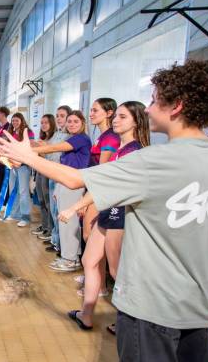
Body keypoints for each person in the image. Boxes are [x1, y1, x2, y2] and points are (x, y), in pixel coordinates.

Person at [0, 59, 208, 362]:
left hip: (151, 306)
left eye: (153, 100)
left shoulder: (152, 160)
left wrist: (25, 153)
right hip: (205, 304)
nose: (148, 108)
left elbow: (75, 178)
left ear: (176, 105)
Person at [58, 101, 150, 331]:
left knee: (118, 271)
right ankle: (86, 314)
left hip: (121, 218)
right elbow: (104, 183)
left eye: (122, 117)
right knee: (89, 261)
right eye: (116, 116)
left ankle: (131, 322)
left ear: (137, 122)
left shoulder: (135, 152)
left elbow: (106, 186)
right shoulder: (120, 148)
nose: (116, 120)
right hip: (108, 213)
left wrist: (75, 206)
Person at [27, 111, 91, 272]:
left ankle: (70, 259)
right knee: (64, 221)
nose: (71, 124)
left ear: (83, 123)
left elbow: (55, 148)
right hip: (65, 181)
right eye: (69, 121)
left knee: (69, 222)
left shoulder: (81, 138)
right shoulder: (71, 138)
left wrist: (28, 152)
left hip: (74, 183)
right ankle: (70, 256)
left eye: (76, 121)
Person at [81, 98, 120, 242]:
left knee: (90, 235)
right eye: (91, 110)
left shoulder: (110, 137)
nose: (91, 114)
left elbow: (101, 172)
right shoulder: (103, 136)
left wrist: (86, 198)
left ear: (109, 113)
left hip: (100, 190)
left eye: (95, 110)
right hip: (94, 188)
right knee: (89, 235)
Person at [44, 105, 71, 254]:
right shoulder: (56, 134)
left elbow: (52, 150)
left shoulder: (69, 136)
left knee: (59, 210)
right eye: (58, 116)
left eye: (62, 116)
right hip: (51, 173)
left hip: (60, 176)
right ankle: (55, 240)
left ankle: (61, 245)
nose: (59, 119)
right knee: (53, 210)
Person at [31, 113, 56, 239]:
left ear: (52, 123)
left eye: (46, 122)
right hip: (40, 172)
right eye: (42, 123)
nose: (43, 125)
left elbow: (51, 158)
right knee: (41, 201)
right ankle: (45, 226)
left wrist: (41, 150)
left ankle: (51, 230)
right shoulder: (42, 139)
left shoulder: (53, 140)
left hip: (48, 172)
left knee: (48, 202)